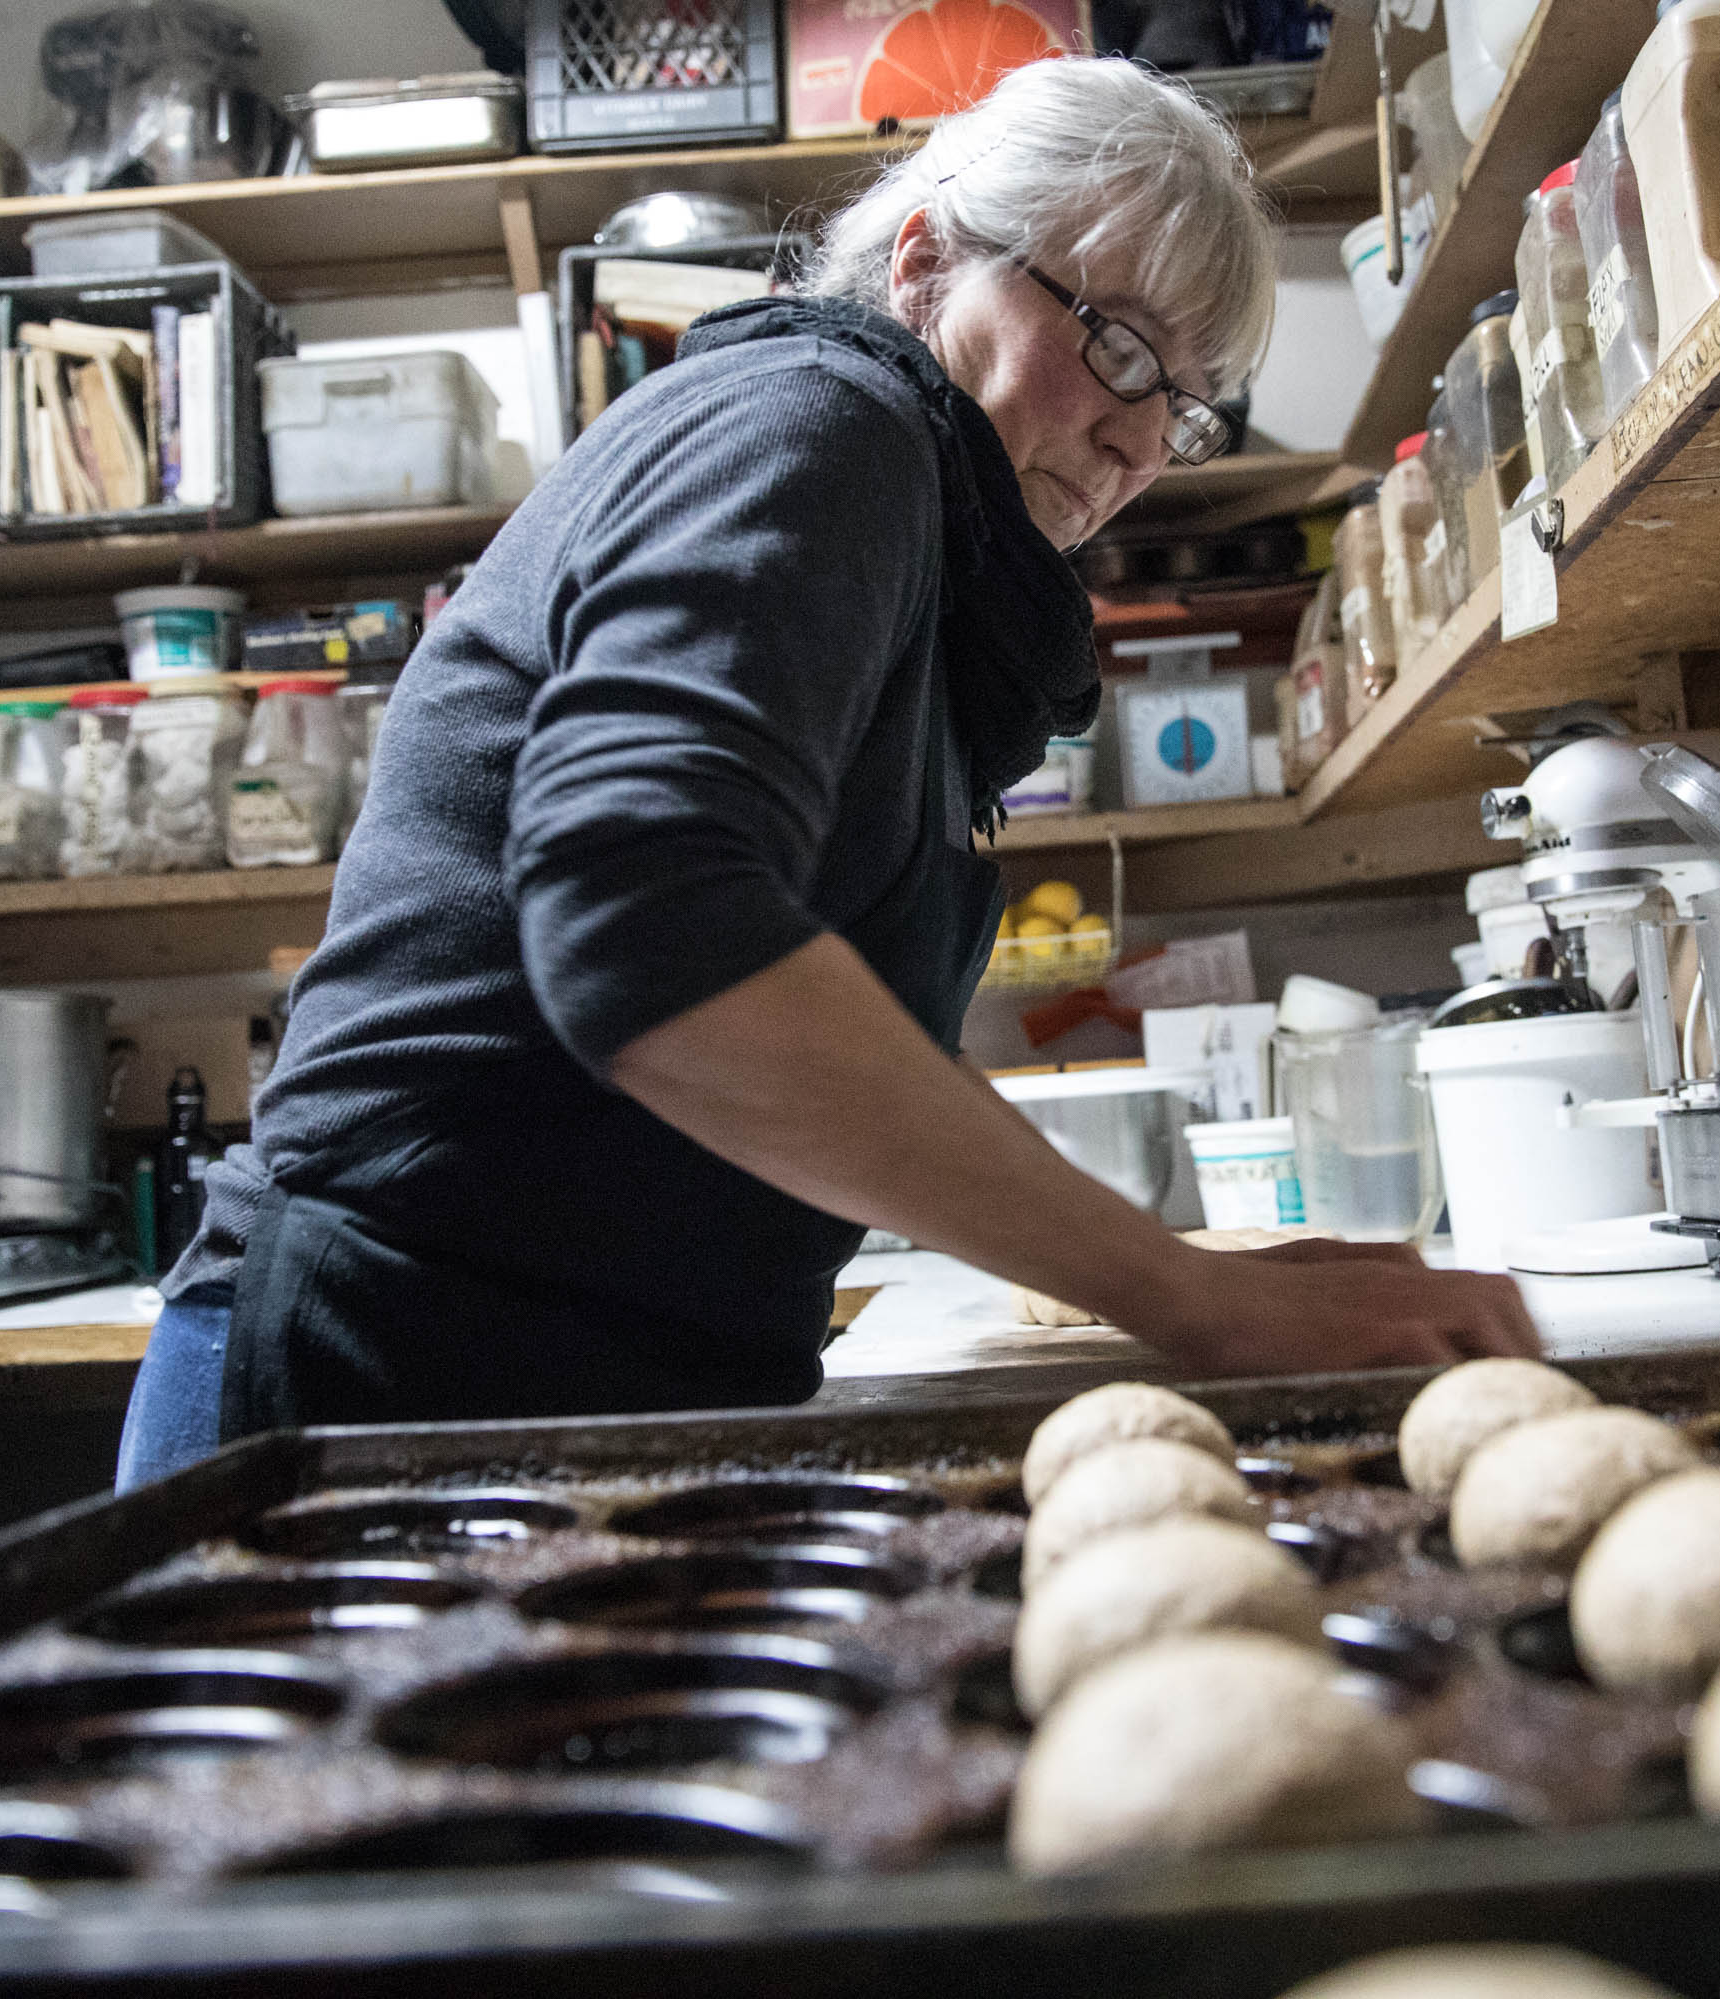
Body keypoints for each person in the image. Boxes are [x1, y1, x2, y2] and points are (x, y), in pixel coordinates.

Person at [115, 58, 1539, 1488]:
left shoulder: (919, 553)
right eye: (1114, 344)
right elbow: (651, 920)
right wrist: (1188, 1292)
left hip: (563, 1391)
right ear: (923, 261)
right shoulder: (821, 418)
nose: (1140, 437)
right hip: (384, 1386)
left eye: (1185, 400)